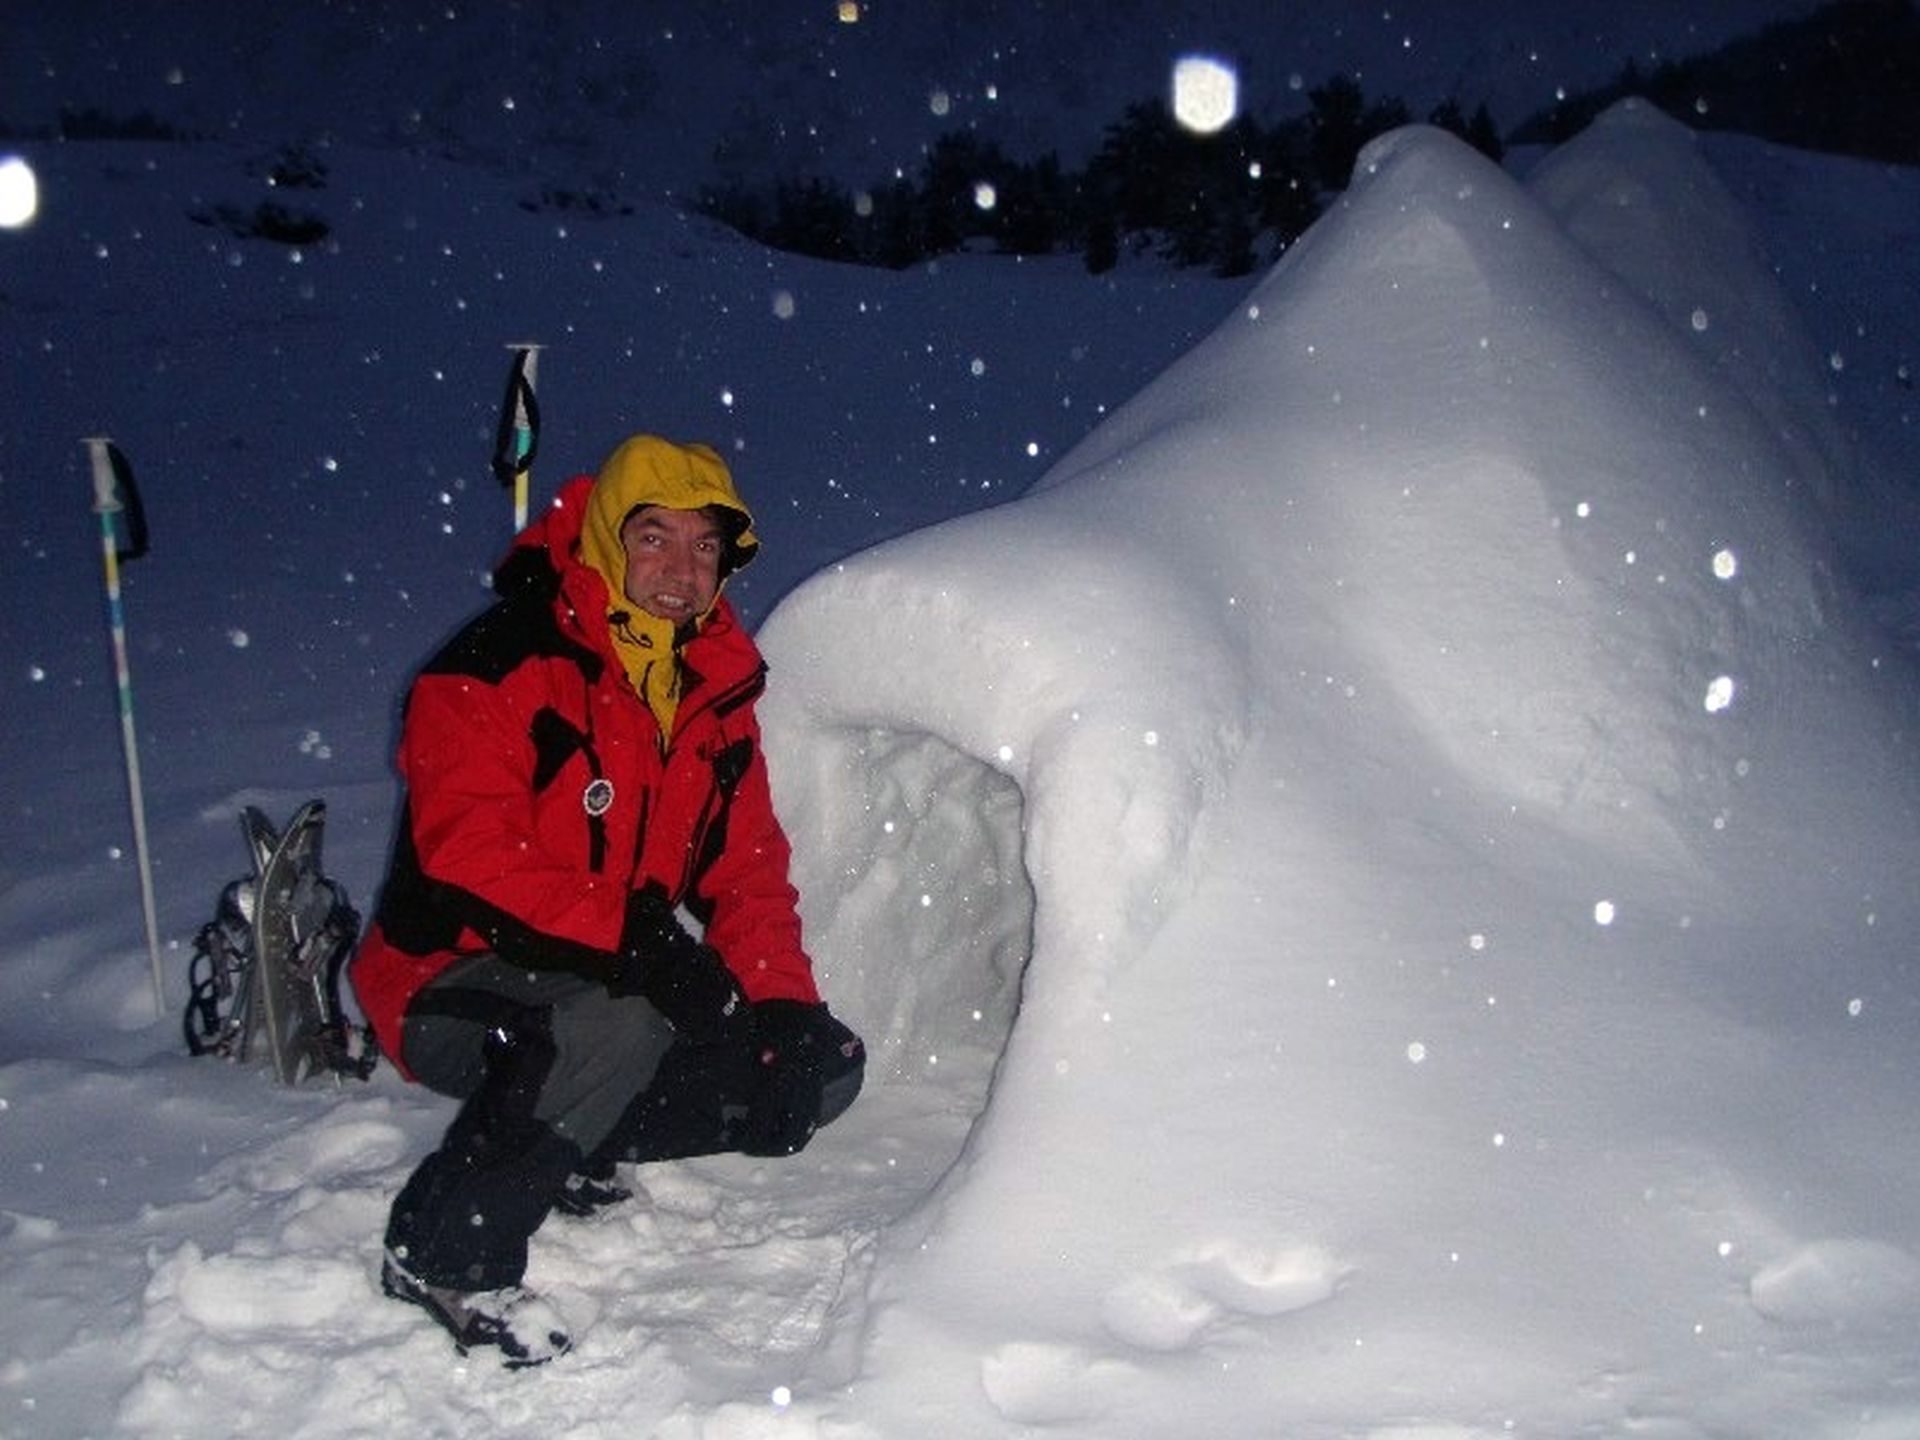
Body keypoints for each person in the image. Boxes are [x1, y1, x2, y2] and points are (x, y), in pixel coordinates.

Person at [350, 433, 864, 1367]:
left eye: (705, 546)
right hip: (444, 976)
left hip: (605, 965)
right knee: (620, 1018)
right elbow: (468, 855)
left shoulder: (710, 694)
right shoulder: (500, 662)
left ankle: (570, 1140)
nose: (681, 569)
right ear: (604, 539)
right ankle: (444, 1254)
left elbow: (747, 871)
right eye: (654, 537)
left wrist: (785, 1011)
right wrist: (636, 942)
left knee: (816, 1065)